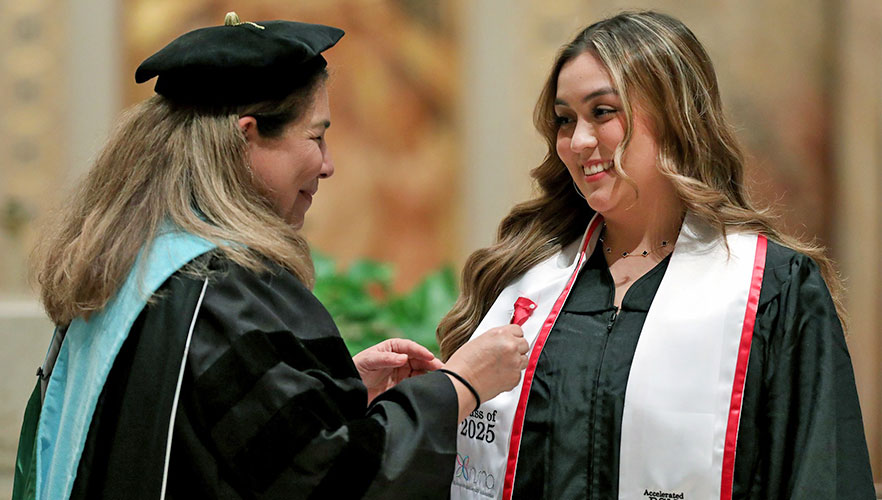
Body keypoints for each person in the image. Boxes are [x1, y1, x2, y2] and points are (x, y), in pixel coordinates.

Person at [12, 13, 529, 500]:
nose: (327, 165)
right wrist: (459, 386)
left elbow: (209, 431)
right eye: (316, 136)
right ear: (247, 136)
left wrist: (331, 390)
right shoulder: (222, 288)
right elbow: (330, 479)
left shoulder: (133, 264)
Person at [438, 10, 875, 500]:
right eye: (565, 119)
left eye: (602, 112)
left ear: (674, 116)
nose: (578, 141)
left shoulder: (770, 291)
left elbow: (823, 478)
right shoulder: (523, 282)